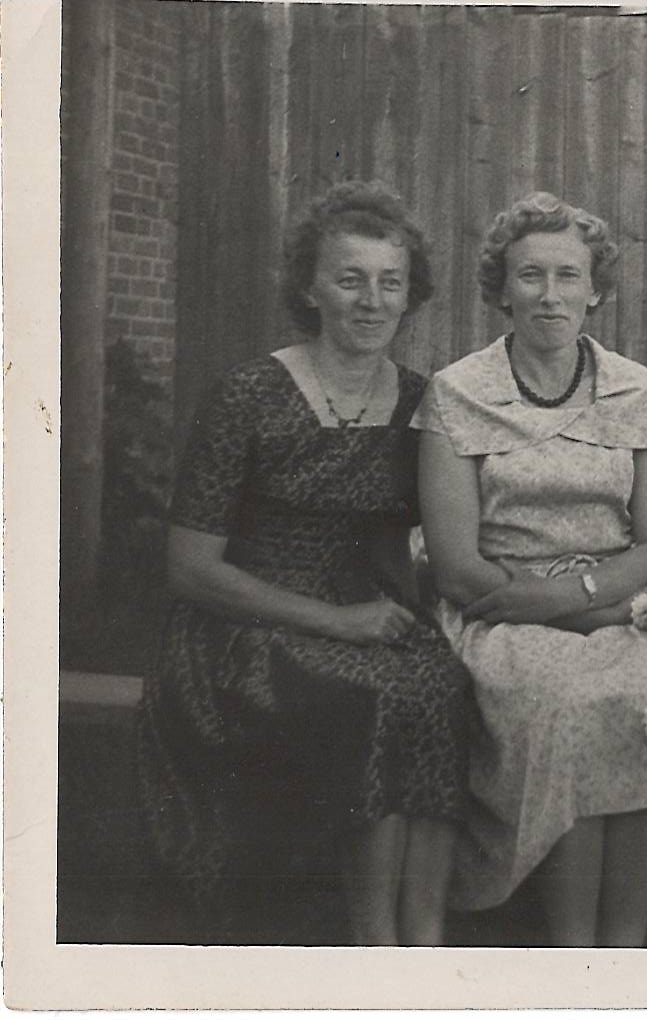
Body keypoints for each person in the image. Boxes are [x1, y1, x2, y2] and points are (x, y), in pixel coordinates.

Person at [136, 180, 475, 946]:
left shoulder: (422, 402)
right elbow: (190, 568)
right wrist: (337, 621)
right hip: (245, 625)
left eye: (390, 283)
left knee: (443, 685)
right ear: (309, 287)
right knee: (374, 696)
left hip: (369, 611)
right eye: (350, 279)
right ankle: (373, 942)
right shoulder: (247, 396)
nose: (371, 301)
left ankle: (422, 939)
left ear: (410, 294)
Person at [415, 191, 647, 946]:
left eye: (568, 276)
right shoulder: (457, 393)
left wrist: (580, 600)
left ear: (595, 290)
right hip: (500, 610)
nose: (550, 295)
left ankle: (624, 954)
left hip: (620, 605)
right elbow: (455, 566)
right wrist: (553, 606)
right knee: (569, 703)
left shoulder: (639, 391)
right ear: (502, 289)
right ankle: (573, 956)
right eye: (531, 275)